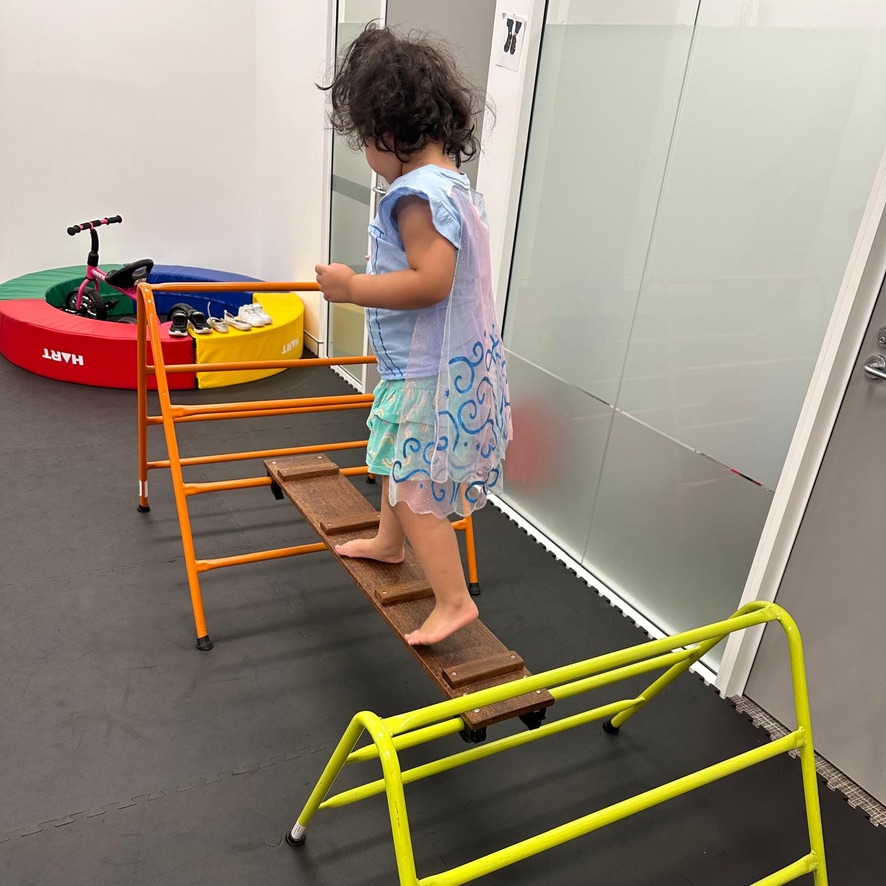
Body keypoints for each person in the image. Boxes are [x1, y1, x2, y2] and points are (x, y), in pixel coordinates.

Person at [315, 24, 511, 646]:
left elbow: (431, 282)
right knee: (397, 463)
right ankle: (387, 541)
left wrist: (350, 288)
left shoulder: (415, 197)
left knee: (413, 484)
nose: (366, 156)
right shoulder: (453, 184)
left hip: (425, 369)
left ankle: (453, 601)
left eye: (365, 141)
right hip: (431, 363)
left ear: (387, 132)